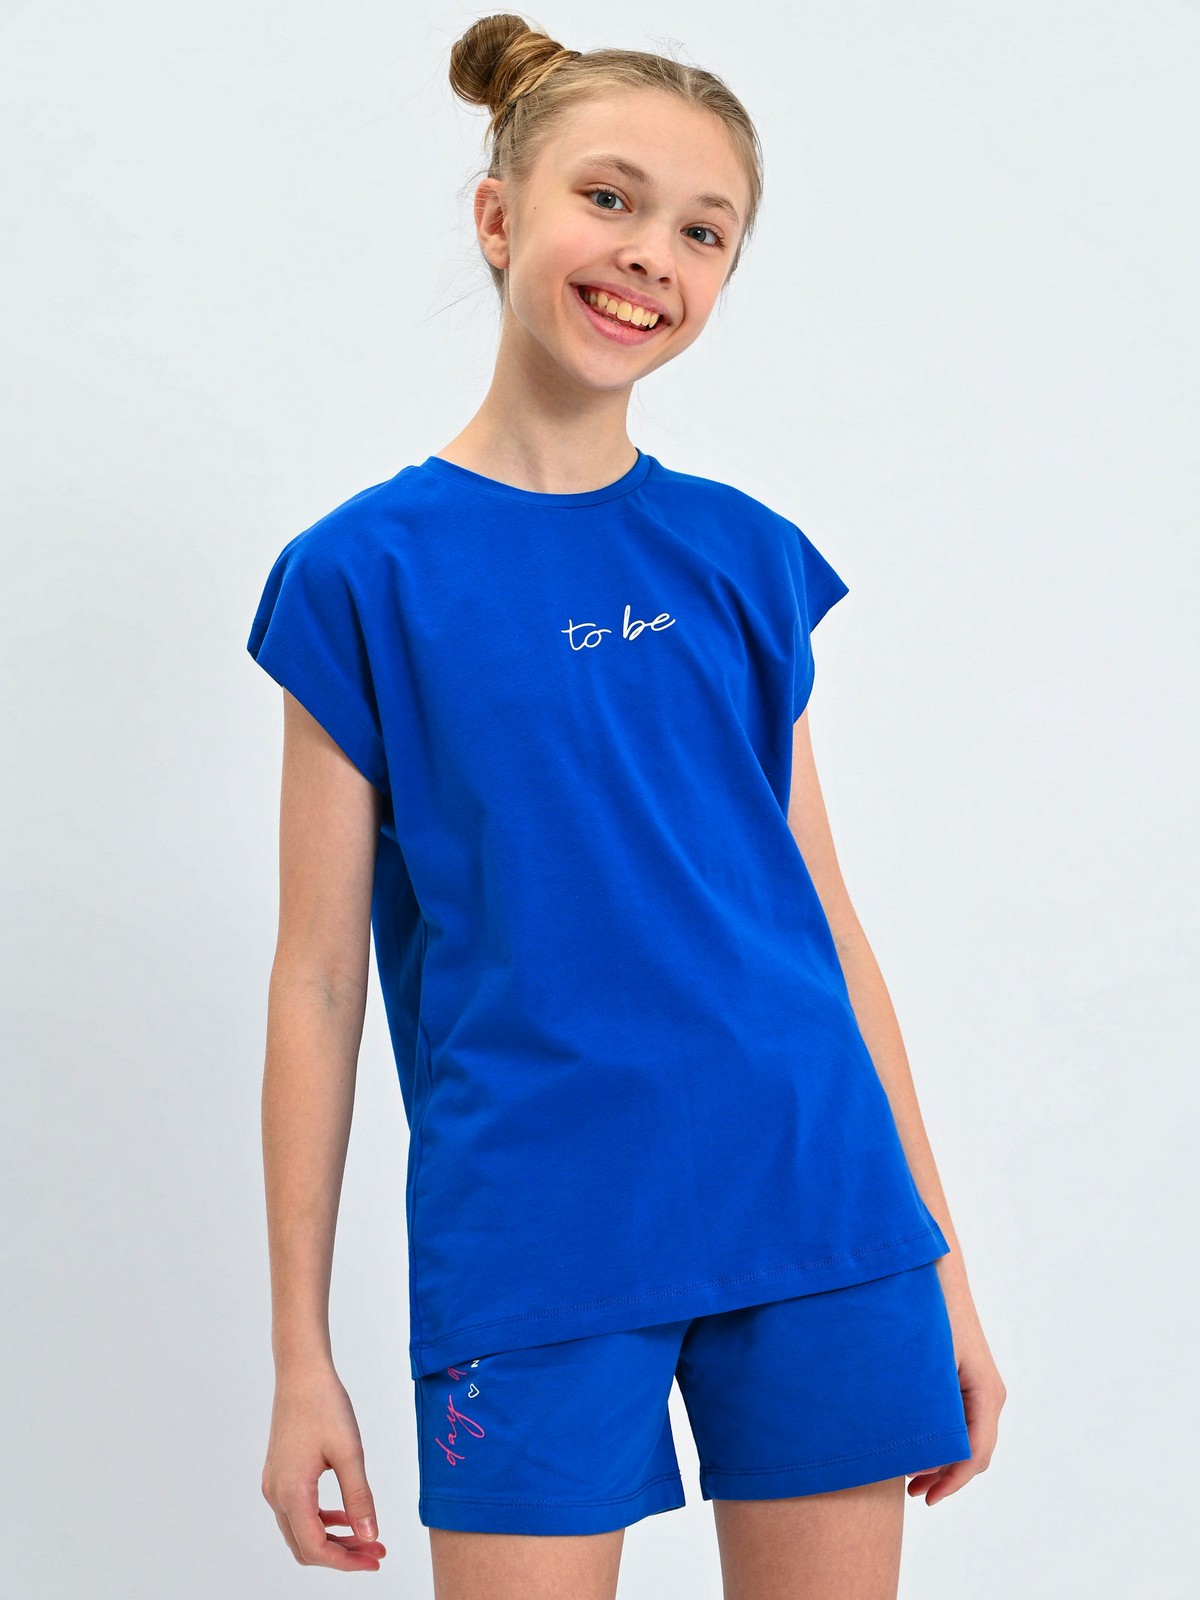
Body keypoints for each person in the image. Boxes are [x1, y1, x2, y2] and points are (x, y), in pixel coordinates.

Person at [250, 13, 1006, 1598]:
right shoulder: (362, 576)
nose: (652, 253)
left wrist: (937, 1260)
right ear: (498, 215)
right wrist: (300, 1357)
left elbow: (822, 923)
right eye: (610, 198)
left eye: (703, 230)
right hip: (534, 1234)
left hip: (819, 1211)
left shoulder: (742, 558)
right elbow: (317, 981)